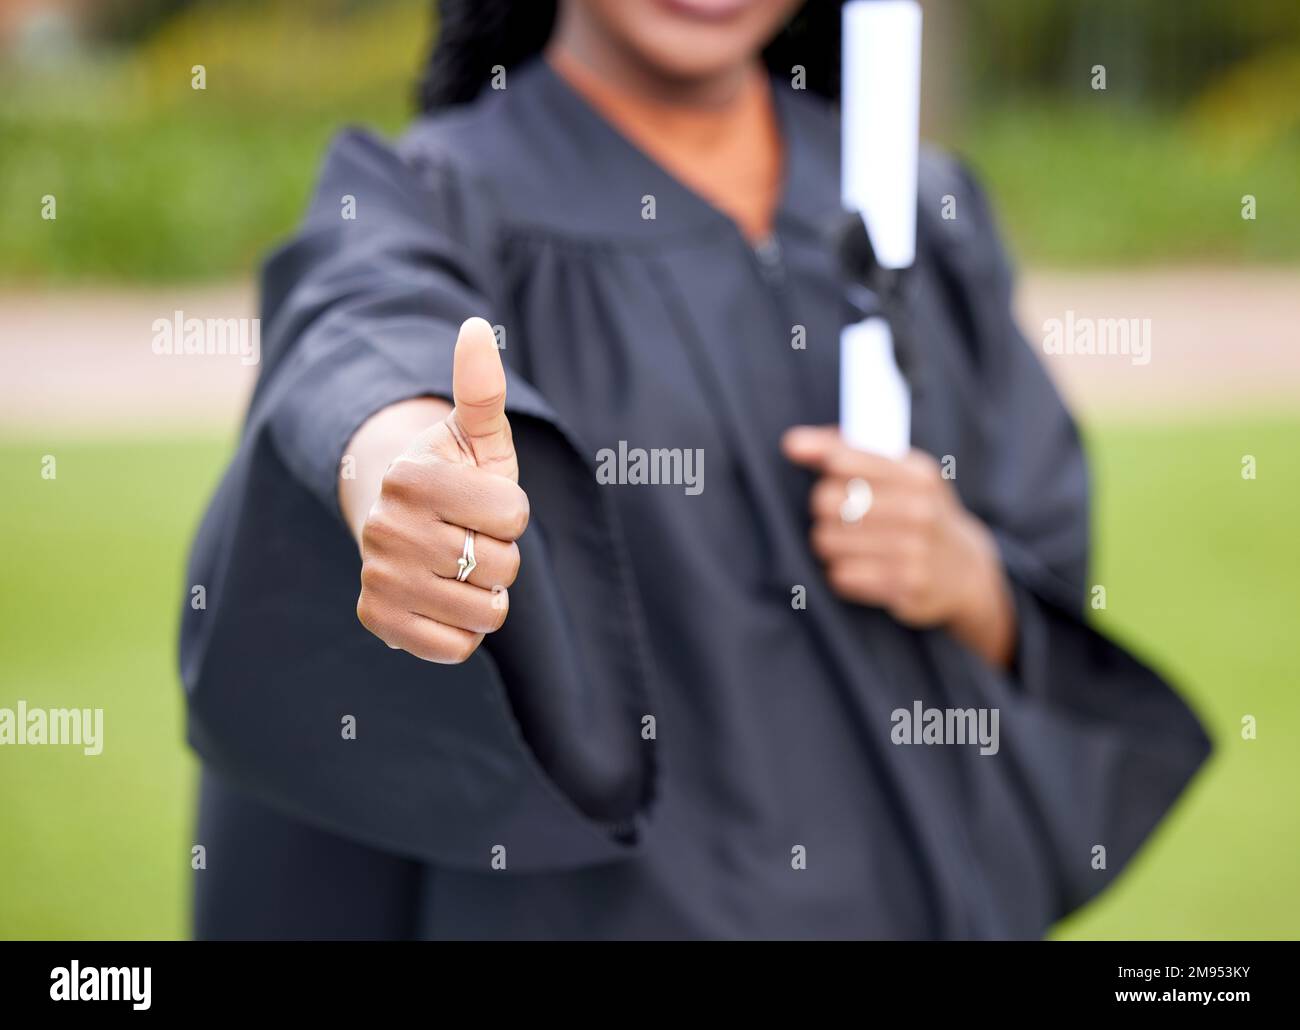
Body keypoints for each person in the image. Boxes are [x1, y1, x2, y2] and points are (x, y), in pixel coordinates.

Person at [181, 0, 1209, 939]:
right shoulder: (429, 191)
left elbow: (1042, 553)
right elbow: (355, 337)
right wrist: (401, 475)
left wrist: (967, 572)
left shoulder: (918, 208)